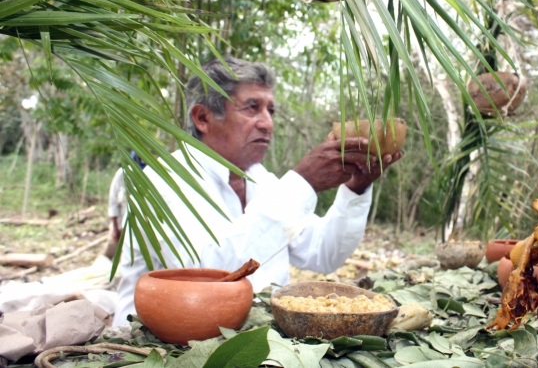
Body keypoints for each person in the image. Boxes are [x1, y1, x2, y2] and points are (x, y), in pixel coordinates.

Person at [113, 57, 402, 325]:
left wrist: (357, 187)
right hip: (159, 344)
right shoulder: (166, 180)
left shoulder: (261, 181)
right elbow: (203, 277)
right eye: (252, 107)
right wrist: (303, 182)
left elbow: (323, 254)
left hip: (255, 339)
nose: (268, 123)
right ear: (203, 118)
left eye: (270, 110)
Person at [104, 151, 146, 260]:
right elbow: (113, 203)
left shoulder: (148, 174)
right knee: (111, 256)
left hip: (141, 227)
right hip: (121, 226)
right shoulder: (121, 174)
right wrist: (115, 228)